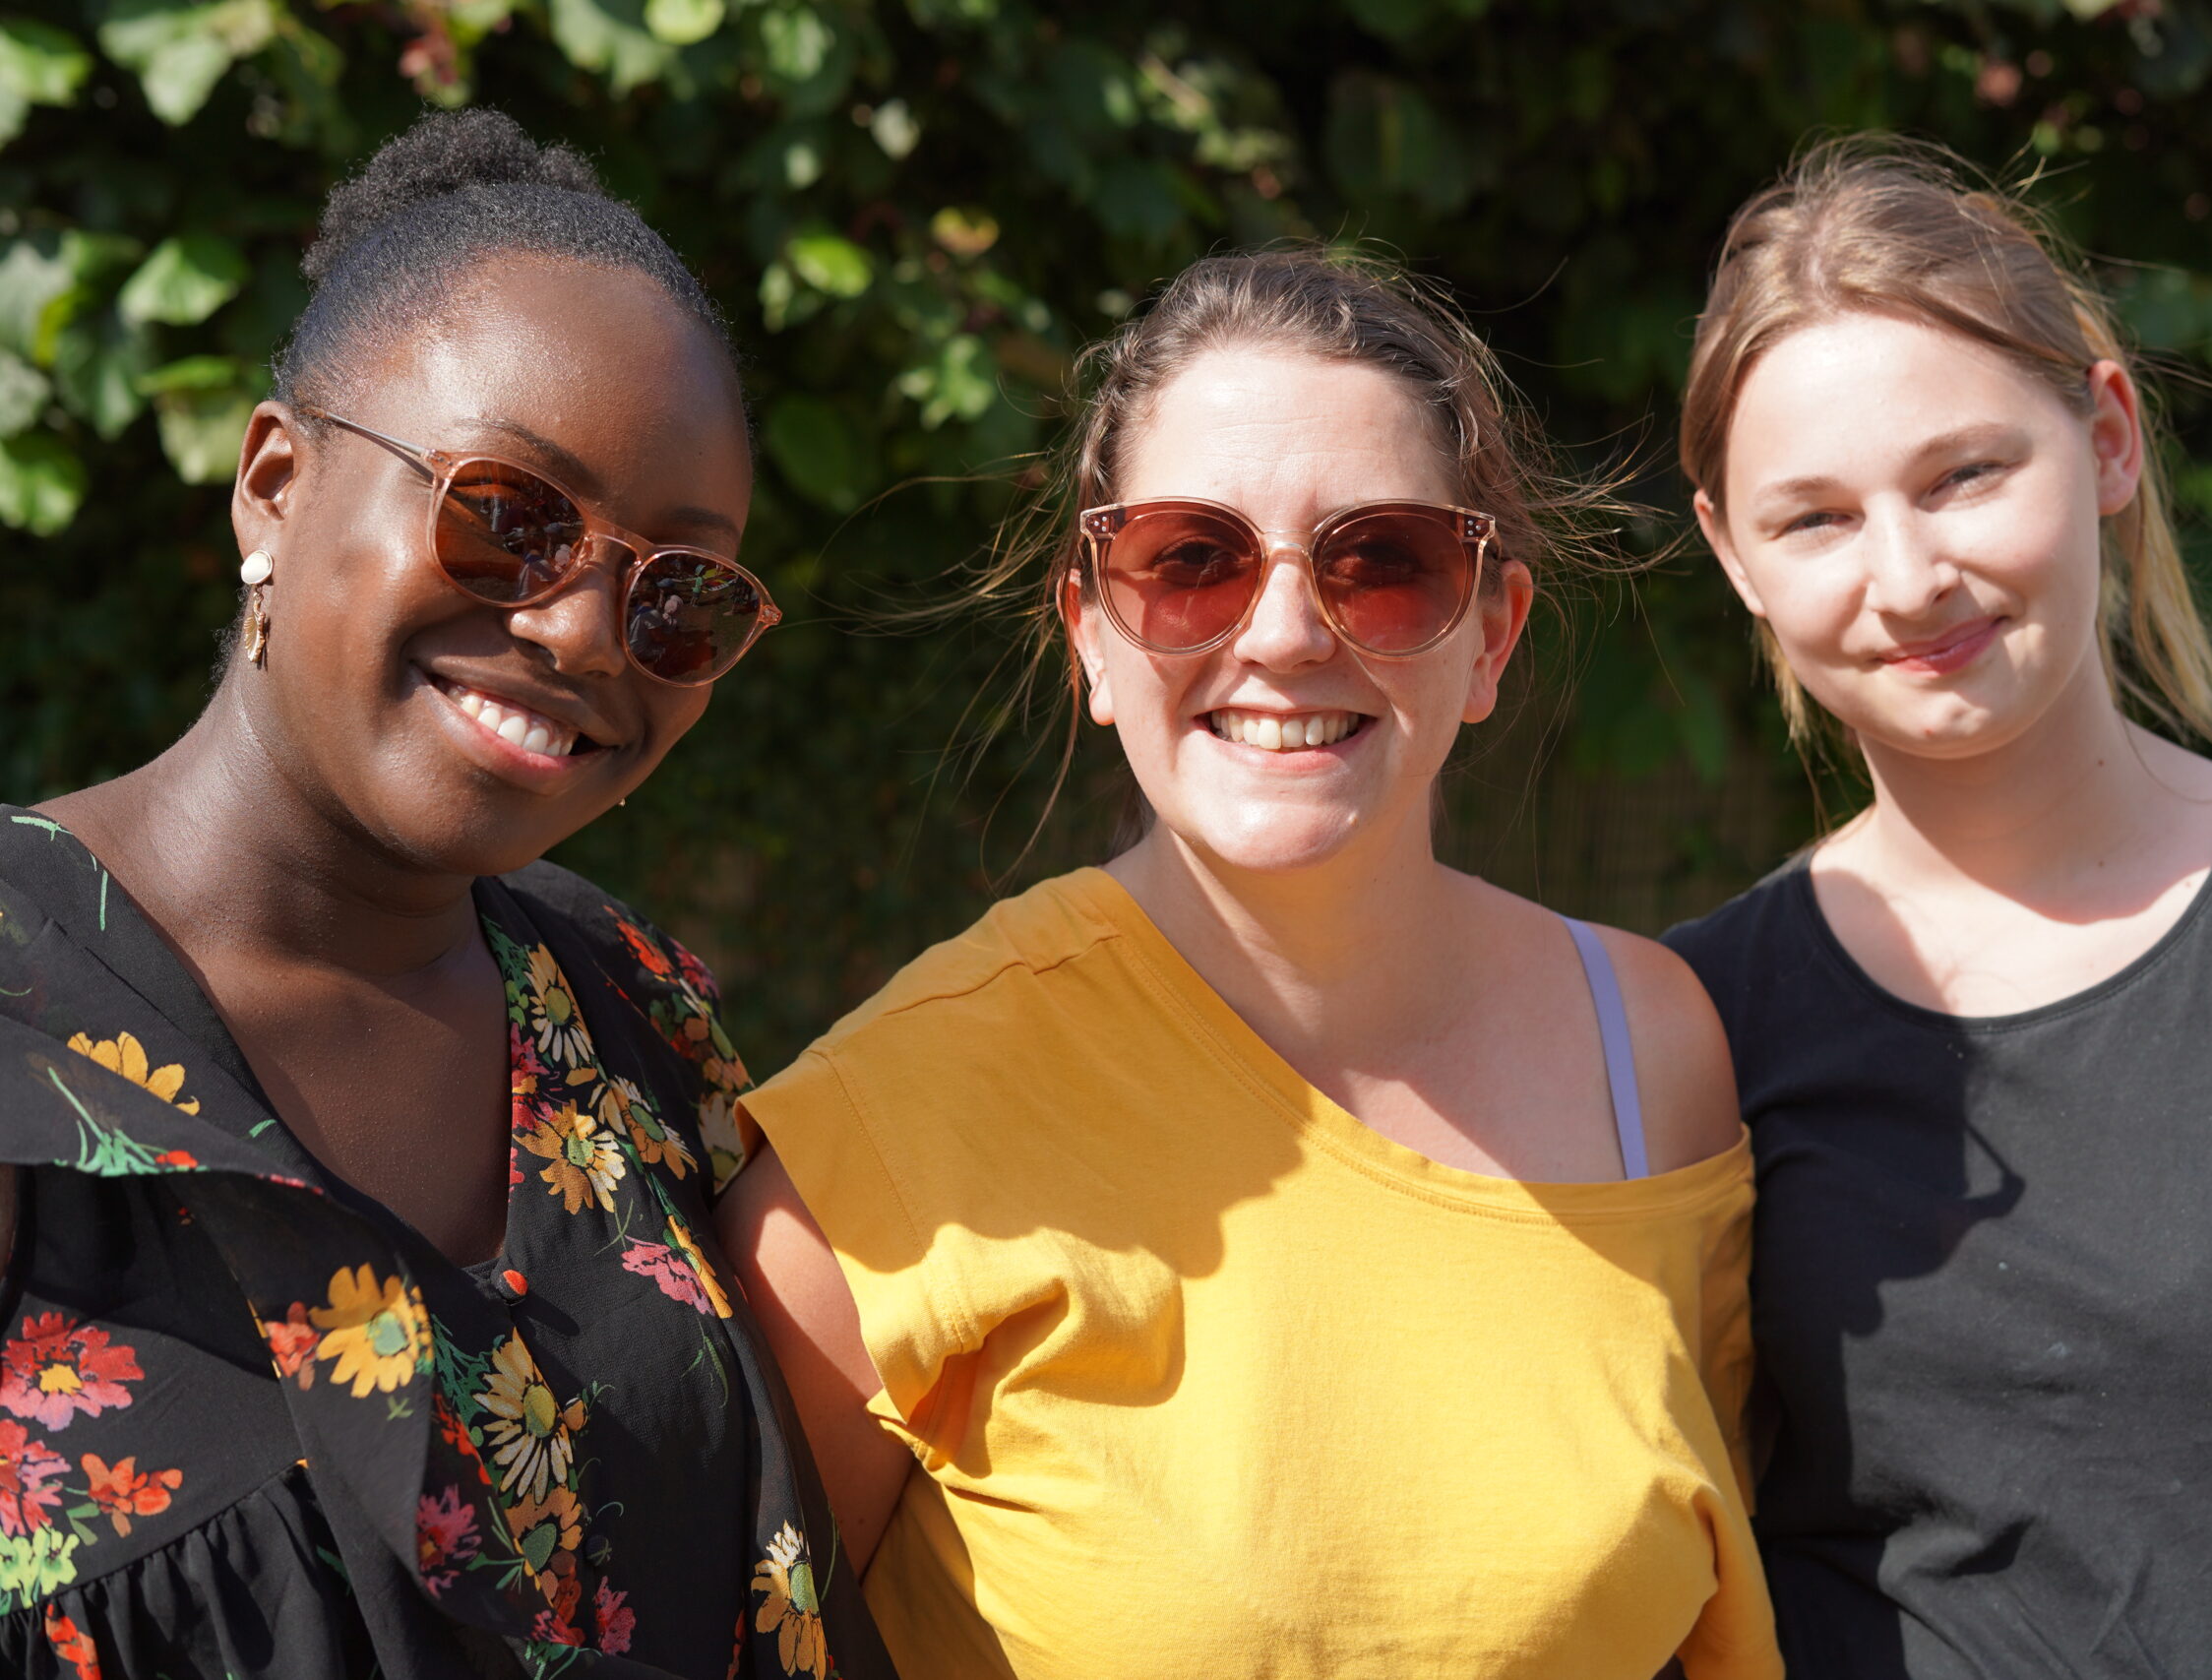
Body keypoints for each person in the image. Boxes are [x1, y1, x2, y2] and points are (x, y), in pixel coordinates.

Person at [721, 249, 1782, 1680]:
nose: (1284, 632)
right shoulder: (889, 1136)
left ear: (1491, 638)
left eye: (1385, 563)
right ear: (1091, 636)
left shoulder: (1647, 1052)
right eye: (1191, 562)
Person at [0, 110, 892, 1679]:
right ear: (272, 487)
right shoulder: (19, 1022)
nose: (582, 632)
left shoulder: (627, 1012)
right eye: (510, 517)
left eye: (679, 591)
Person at [1662, 139, 2212, 1680]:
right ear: (1733, 557)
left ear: (2107, 437)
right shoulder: (1690, 1031)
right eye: (1815, 519)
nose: (1910, 576)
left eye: (1965, 474)